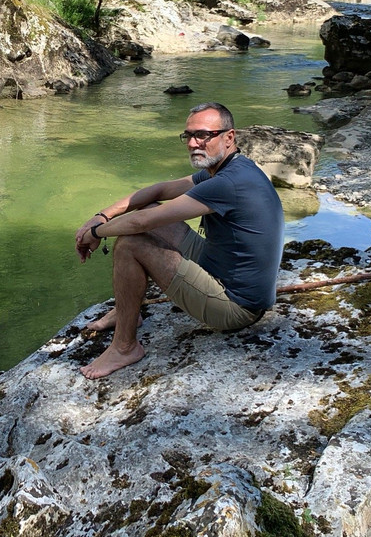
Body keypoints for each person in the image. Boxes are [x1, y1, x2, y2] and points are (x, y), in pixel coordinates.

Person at [74, 102, 284, 378]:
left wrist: (94, 233)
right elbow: (161, 190)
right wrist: (102, 215)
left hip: (236, 306)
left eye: (204, 135)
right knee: (146, 209)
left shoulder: (229, 182)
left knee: (131, 243)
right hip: (216, 264)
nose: (194, 143)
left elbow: (141, 224)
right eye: (189, 135)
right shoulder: (227, 167)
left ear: (229, 137)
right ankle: (127, 311)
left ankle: (125, 347)